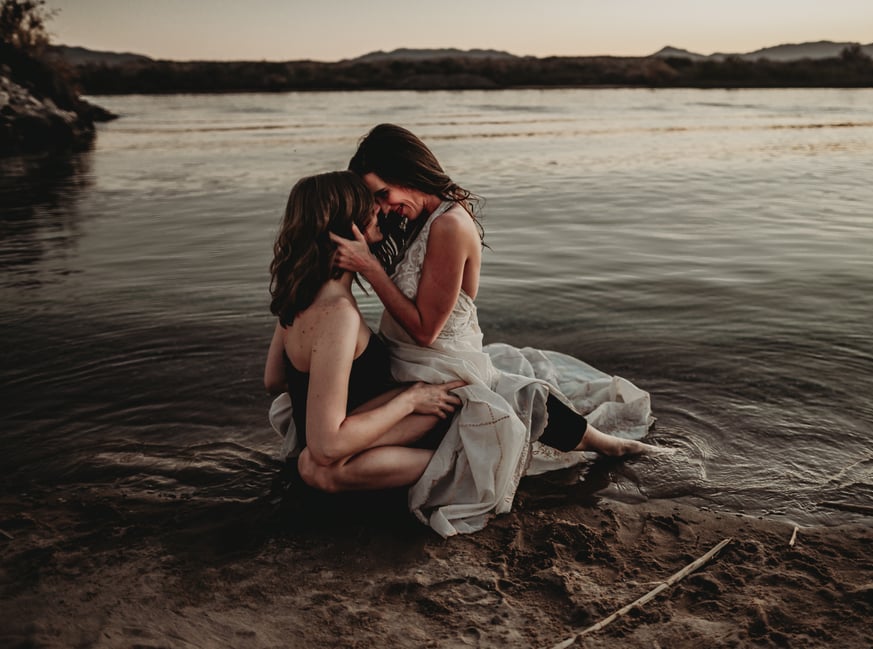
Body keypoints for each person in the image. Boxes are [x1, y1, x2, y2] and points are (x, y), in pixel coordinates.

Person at [334, 124, 658, 536]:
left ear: (407, 172)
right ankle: (596, 442)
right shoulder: (416, 219)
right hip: (407, 366)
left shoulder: (448, 225)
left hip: (442, 368)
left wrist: (370, 268)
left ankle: (609, 445)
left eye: (383, 195)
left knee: (513, 401)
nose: (383, 208)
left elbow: (425, 331)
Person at [263, 170, 465, 494]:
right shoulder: (338, 315)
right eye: (368, 205)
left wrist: (326, 386)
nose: (378, 210)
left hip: (369, 435)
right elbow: (327, 446)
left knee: (314, 463)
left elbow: (273, 379)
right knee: (318, 464)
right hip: (355, 446)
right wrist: (409, 401)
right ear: (346, 223)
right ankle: (469, 469)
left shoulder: (297, 296)